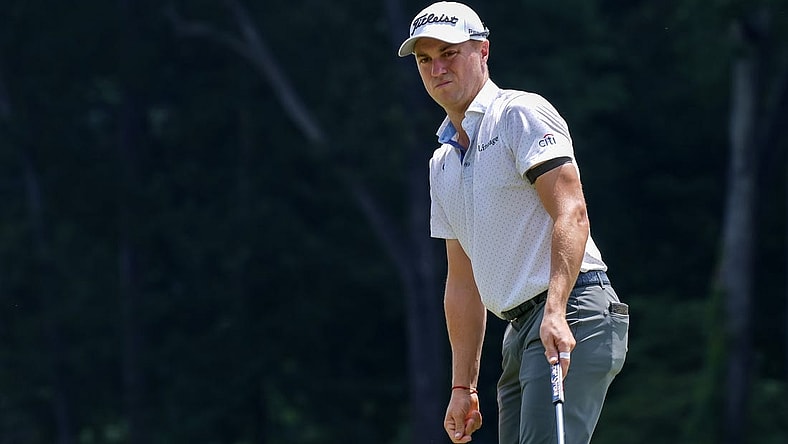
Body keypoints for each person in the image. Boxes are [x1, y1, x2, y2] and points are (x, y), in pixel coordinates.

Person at [397, 2, 630, 443]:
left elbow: (572, 212)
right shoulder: (441, 163)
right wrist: (462, 387)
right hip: (520, 330)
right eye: (425, 59)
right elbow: (462, 280)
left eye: (449, 53)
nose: (437, 68)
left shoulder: (518, 114)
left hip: (573, 308)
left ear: (482, 51)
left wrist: (556, 311)